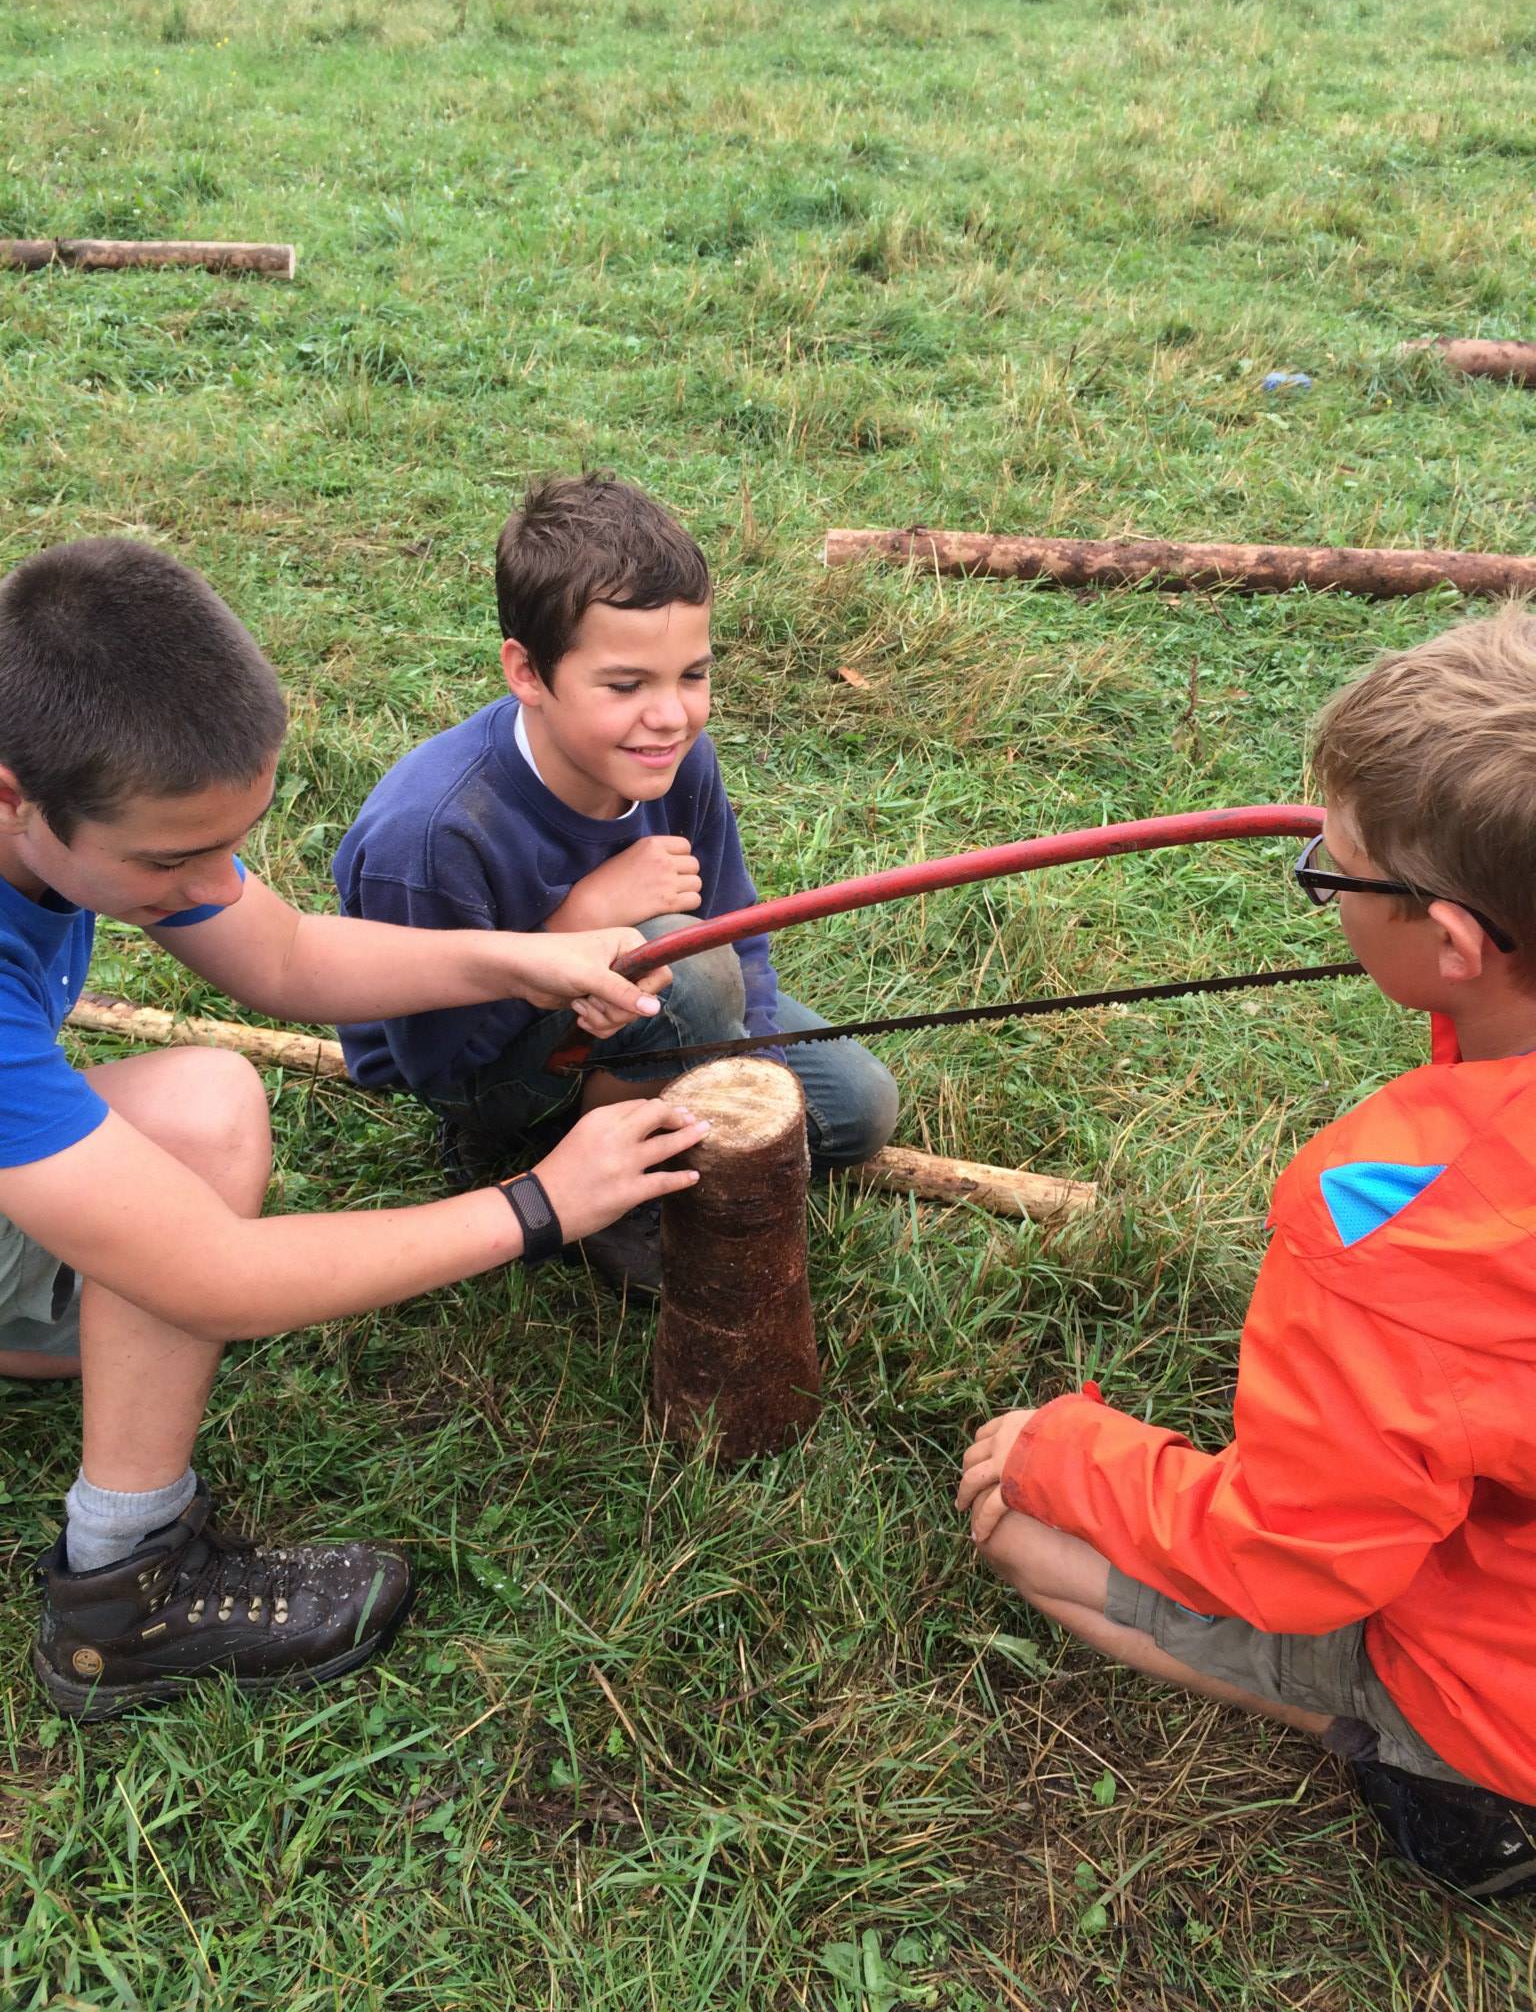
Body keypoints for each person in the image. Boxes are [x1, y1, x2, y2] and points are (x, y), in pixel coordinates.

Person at [0, 536, 710, 1720]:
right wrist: (540, 1204)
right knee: (199, 1146)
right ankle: (121, 1592)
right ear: (12, 792)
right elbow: (216, 1279)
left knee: (198, 1120)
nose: (211, 884)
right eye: (173, 859)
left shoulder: (105, 817)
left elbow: (281, 952)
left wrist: (520, 957)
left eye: (232, 841)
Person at [958, 608, 1536, 1899]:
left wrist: (1072, 1453)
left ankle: (1436, 1762)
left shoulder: (1394, 1226)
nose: (1321, 884)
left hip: (1509, 1677)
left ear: (1453, 944)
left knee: (1015, 1523)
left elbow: (1290, 1554)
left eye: (1334, 876)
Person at [333, 473, 898, 1292]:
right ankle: (610, 1199)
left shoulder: (674, 756)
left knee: (854, 1111)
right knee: (679, 960)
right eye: (627, 685)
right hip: (482, 1073)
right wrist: (573, 933)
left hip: (652, 1011)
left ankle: (638, 1104)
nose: (670, 715)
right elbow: (433, 1061)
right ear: (527, 672)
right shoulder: (430, 835)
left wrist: (755, 1069)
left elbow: (736, 924)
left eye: (692, 676)